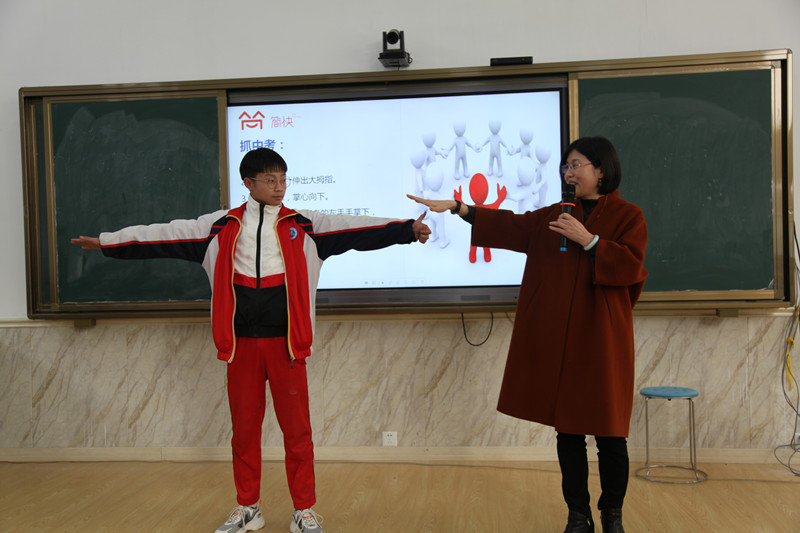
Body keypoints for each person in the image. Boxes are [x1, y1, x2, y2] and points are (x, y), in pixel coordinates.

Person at [72, 147, 431, 533]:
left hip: (287, 347)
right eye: (270, 180)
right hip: (240, 347)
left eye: (283, 180)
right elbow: (159, 235)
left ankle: (303, 511)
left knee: (298, 433)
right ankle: (248, 508)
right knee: (244, 433)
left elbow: (357, 228)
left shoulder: (306, 226)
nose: (279, 187)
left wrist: (407, 230)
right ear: (248, 183)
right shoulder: (218, 227)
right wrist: (107, 242)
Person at [409, 136, 647, 533]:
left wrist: (589, 241)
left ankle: (612, 517)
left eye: (577, 165)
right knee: (568, 432)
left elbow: (632, 268)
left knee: (610, 435)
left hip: (602, 340)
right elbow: (510, 225)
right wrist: (459, 207)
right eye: (566, 166)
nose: (568, 172)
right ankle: (578, 515)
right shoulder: (553, 215)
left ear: (601, 170)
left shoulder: (628, 216)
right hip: (562, 342)